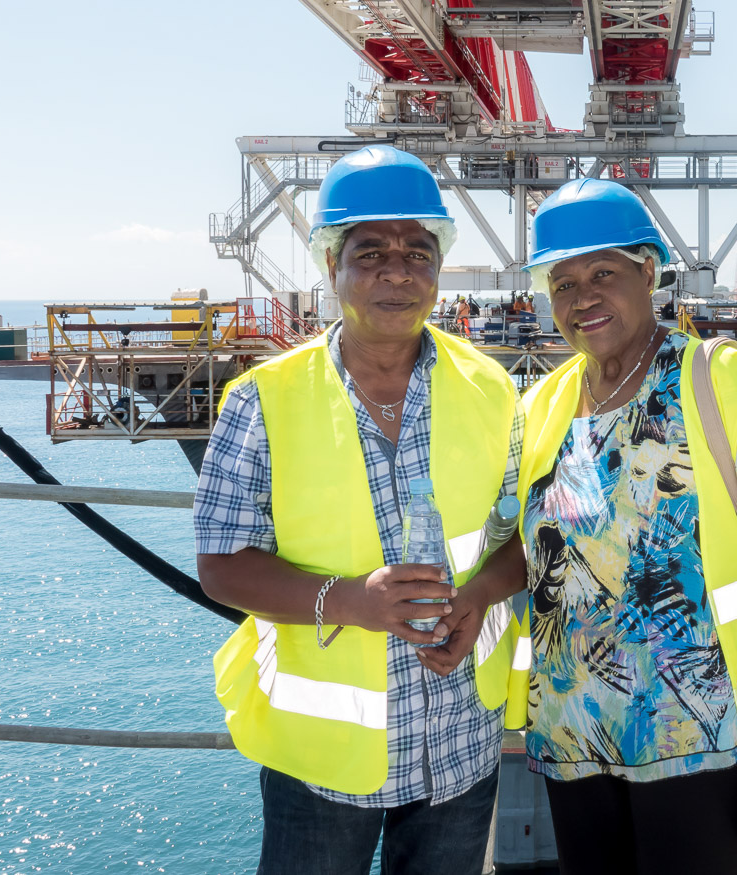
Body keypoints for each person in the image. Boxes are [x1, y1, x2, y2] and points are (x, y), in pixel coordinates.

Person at [423, 178, 737, 875]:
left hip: (700, 746)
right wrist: (482, 592)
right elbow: (537, 539)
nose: (583, 297)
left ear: (650, 272)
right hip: (575, 743)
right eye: (563, 281)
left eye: (603, 272)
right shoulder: (544, 404)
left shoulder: (723, 385)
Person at [193, 145, 524, 875]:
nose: (397, 271)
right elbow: (219, 564)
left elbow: (525, 536)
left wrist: (478, 595)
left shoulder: (492, 390)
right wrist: (350, 600)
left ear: (439, 269)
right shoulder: (264, 400)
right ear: (332, 266)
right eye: (369, 251)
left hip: (459, 743)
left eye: (418, 251)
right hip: (324, 764)